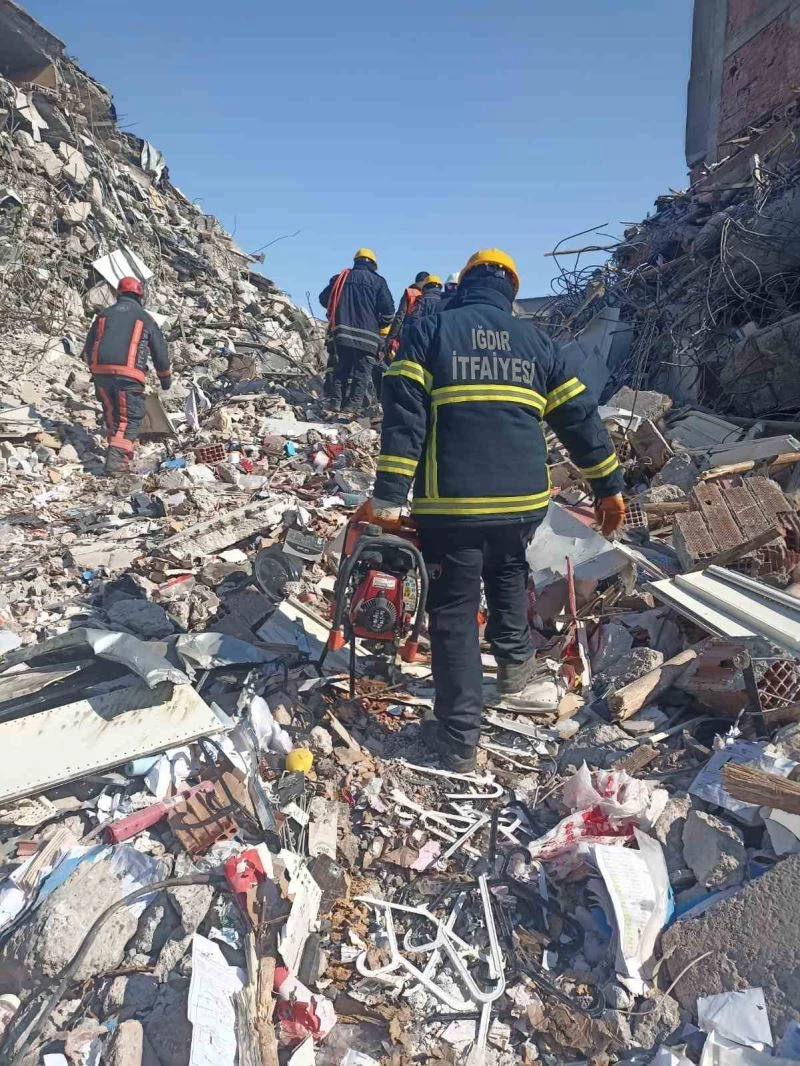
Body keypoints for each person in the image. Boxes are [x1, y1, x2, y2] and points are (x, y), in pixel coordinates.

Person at [364, 248, 626, 770]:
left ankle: (459, 736)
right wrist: (607, 485)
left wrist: (390, 495)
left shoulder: (430, 331)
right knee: (508, 572)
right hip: (521, 506)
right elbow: (580, 418)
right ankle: (513, 671)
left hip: (452, 507)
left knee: (454, 612)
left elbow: (404, 419)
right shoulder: (539, 343)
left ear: (463, 284)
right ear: (511, 289)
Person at [83, 276, 171, 475]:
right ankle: (117, 465)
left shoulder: (104, 315)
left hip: (101, 374)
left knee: (112, 414)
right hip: (128, 376)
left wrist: (93, 369)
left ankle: (114, 452)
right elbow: (159, 351)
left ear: (118, 294)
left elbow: (88, 347)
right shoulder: (145, 318)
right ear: (140, 295)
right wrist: (165, 378)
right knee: (128, 418)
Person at [319, 249, 394, 413]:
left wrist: (340, 311)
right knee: (362, 372)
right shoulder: (378, 281)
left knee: (341, 368)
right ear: (373, 264)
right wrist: (378, 324)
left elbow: (324, 299)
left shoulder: (341, 278)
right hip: (368, 336)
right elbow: (389, 311)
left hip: (342, 333)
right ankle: (352, 407)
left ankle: (336, 403)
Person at [385, 270, 429, 360]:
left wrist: (390, 338)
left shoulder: (410, 292)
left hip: (407, 334)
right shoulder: (431, 295)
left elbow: (400, 317)